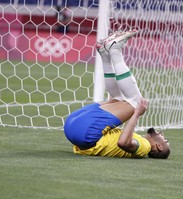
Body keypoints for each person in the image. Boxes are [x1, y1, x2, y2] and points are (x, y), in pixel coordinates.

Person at [64, 29, 170, 159]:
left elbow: (123, 143)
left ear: (159, 147)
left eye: (165, 140)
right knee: (117, 99)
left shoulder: (144, 147)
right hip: (74, 131)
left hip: (84, 133)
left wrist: (136, 114)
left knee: (137, 104)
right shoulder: (135, 137)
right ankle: (105, 54)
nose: (162, 135)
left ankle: (115, 50)